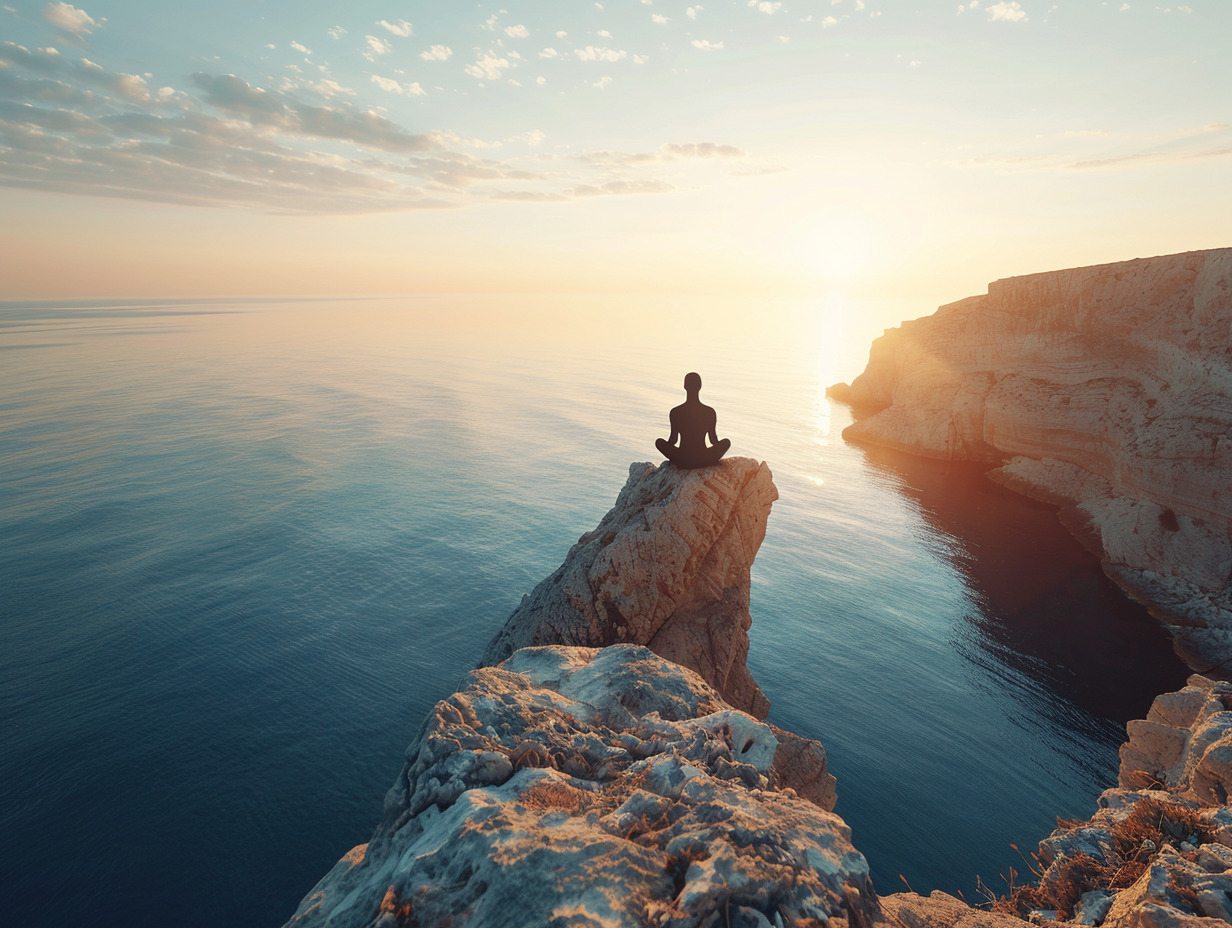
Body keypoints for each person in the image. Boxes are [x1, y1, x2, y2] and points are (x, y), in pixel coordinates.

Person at [655, 372, 731, 469]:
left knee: (659, 442)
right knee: (726, 442)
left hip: (682, 459)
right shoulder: (710, 412)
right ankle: (707, 462)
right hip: (703, 458)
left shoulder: (675, 412)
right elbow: (713, 441)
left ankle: (681, 461)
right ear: (700, 386)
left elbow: (673, 440)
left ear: (685, 386)